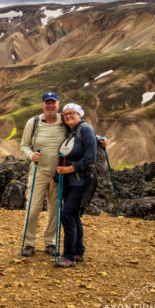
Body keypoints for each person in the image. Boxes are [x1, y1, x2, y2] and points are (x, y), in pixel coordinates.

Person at [19, 92, 66, 257]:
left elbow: (82, 131)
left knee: (55, 210)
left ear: (58, 105)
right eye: (47, 103)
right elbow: (24, 145)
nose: (50, 106)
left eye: (53, 103)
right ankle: (29, 243)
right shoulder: (34, 123)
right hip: (38, 172)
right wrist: (31, 155)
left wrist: (99, 140)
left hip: (58, 174)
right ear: (43, 105)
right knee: (33, 209)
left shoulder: (64, 121)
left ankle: (50, 242)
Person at [55, 103, 97, 268]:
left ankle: (69, 256)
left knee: (67, 215)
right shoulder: (73, 132)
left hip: (81, 179)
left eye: (72, 113)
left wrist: (69, 168)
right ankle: (78, 252)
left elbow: (90, 156)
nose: (68, 116)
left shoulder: (85, 129)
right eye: (65, 114)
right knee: (73, 216)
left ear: (79, 114)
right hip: (72, 180)